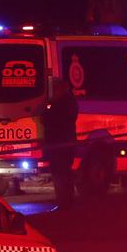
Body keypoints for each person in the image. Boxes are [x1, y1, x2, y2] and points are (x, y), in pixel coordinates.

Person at [42, 77, 79, 209]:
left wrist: (46, 109)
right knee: (64, 173)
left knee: (60, 174)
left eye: (55, 89)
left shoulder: (61, 103)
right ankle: (67, 201)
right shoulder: (70, 101)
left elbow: (48, 119)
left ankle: (64, 202)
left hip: (59, 144)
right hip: (66, 143)